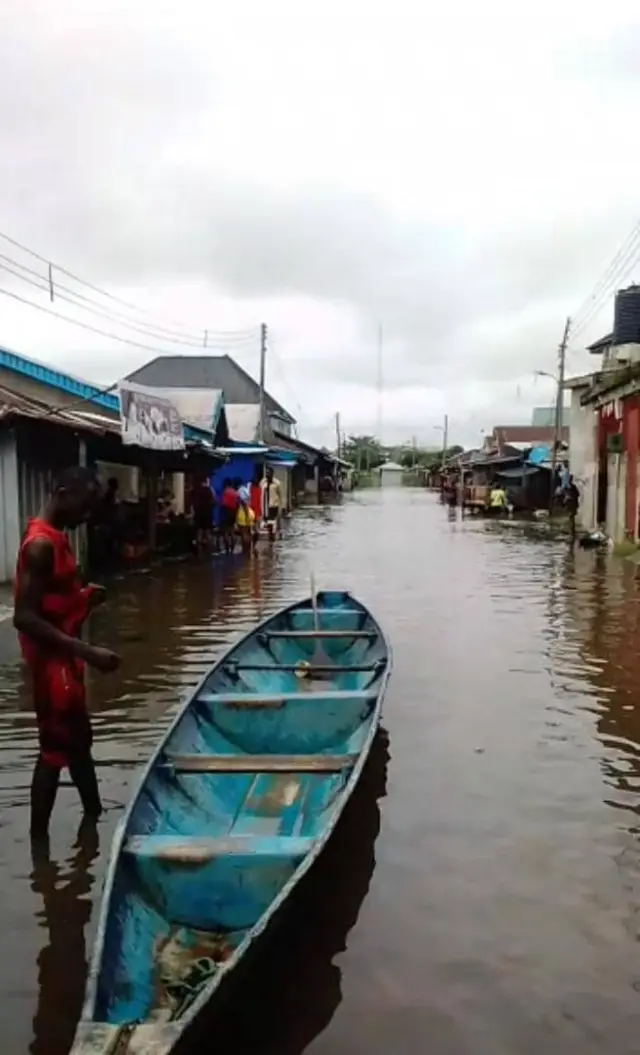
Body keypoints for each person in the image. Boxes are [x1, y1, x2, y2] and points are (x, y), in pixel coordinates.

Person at [13, 467, 121, 839]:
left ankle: (94, 820)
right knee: (54, 749)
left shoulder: (56, 539)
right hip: (51, 664)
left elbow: (51, 603)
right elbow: (24, 617)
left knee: (79, 741)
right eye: (84, 506)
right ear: (61, 493)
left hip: (65, 660)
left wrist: (83, 598)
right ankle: (39, 852)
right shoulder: (40, 545)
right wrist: (88, 651)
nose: (86, 516)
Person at [191, 477, 215, 551]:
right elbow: (214, 501)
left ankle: (199, 550)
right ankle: (209, 550)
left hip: (198, 513)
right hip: (207, 513)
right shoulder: (210, 490)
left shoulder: (196, 490)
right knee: (208, 533)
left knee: (199, 532)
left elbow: (193, 503)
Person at [261, 466, 283, 541]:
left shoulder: (277, 483)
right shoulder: (263, 482)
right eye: (266, 473)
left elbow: (280, 495)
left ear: (272, 474)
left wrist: (280, 506)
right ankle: (270, 534)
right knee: (267, 521)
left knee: (272, 521)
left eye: (269, 473)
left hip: (273, 505)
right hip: (265, 505)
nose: (267, 474)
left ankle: (272, 535)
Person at [220, 477, 239, 553]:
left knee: (226, 531)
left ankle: (227, 548)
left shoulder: (226, 492)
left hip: (226, 512)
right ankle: (232, 548)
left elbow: (224, 503)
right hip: (233, 513)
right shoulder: (235, 492)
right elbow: (237, 504)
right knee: (232, 531)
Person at [564, 474, 580, 540]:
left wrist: (571, 497)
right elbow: (565, 495)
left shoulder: (572, 487)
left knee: (571, 518)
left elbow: (578, 494)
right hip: (569, 505)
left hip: (572, 504)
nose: (569, 480)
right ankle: (572, 532)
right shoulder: (567, 487)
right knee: (571, 518)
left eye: (570, 479)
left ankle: (572, 533)